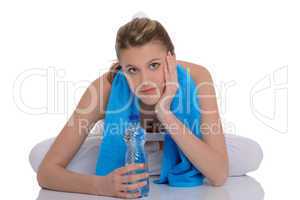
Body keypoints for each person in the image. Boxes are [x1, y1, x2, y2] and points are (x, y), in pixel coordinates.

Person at [30, 17, 263, 199]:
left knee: (250, 153)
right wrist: (101, 186)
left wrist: (165, 112)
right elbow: (46, 172)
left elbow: (219, 175)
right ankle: (142, 167)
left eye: (154, 65)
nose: (145, 80)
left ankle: (155, 166)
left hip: (184, 142)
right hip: (122, 145)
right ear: (121, 68)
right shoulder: (105, 87)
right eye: (132, 69)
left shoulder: (198, 76)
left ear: (171, 58)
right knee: (40, 155)